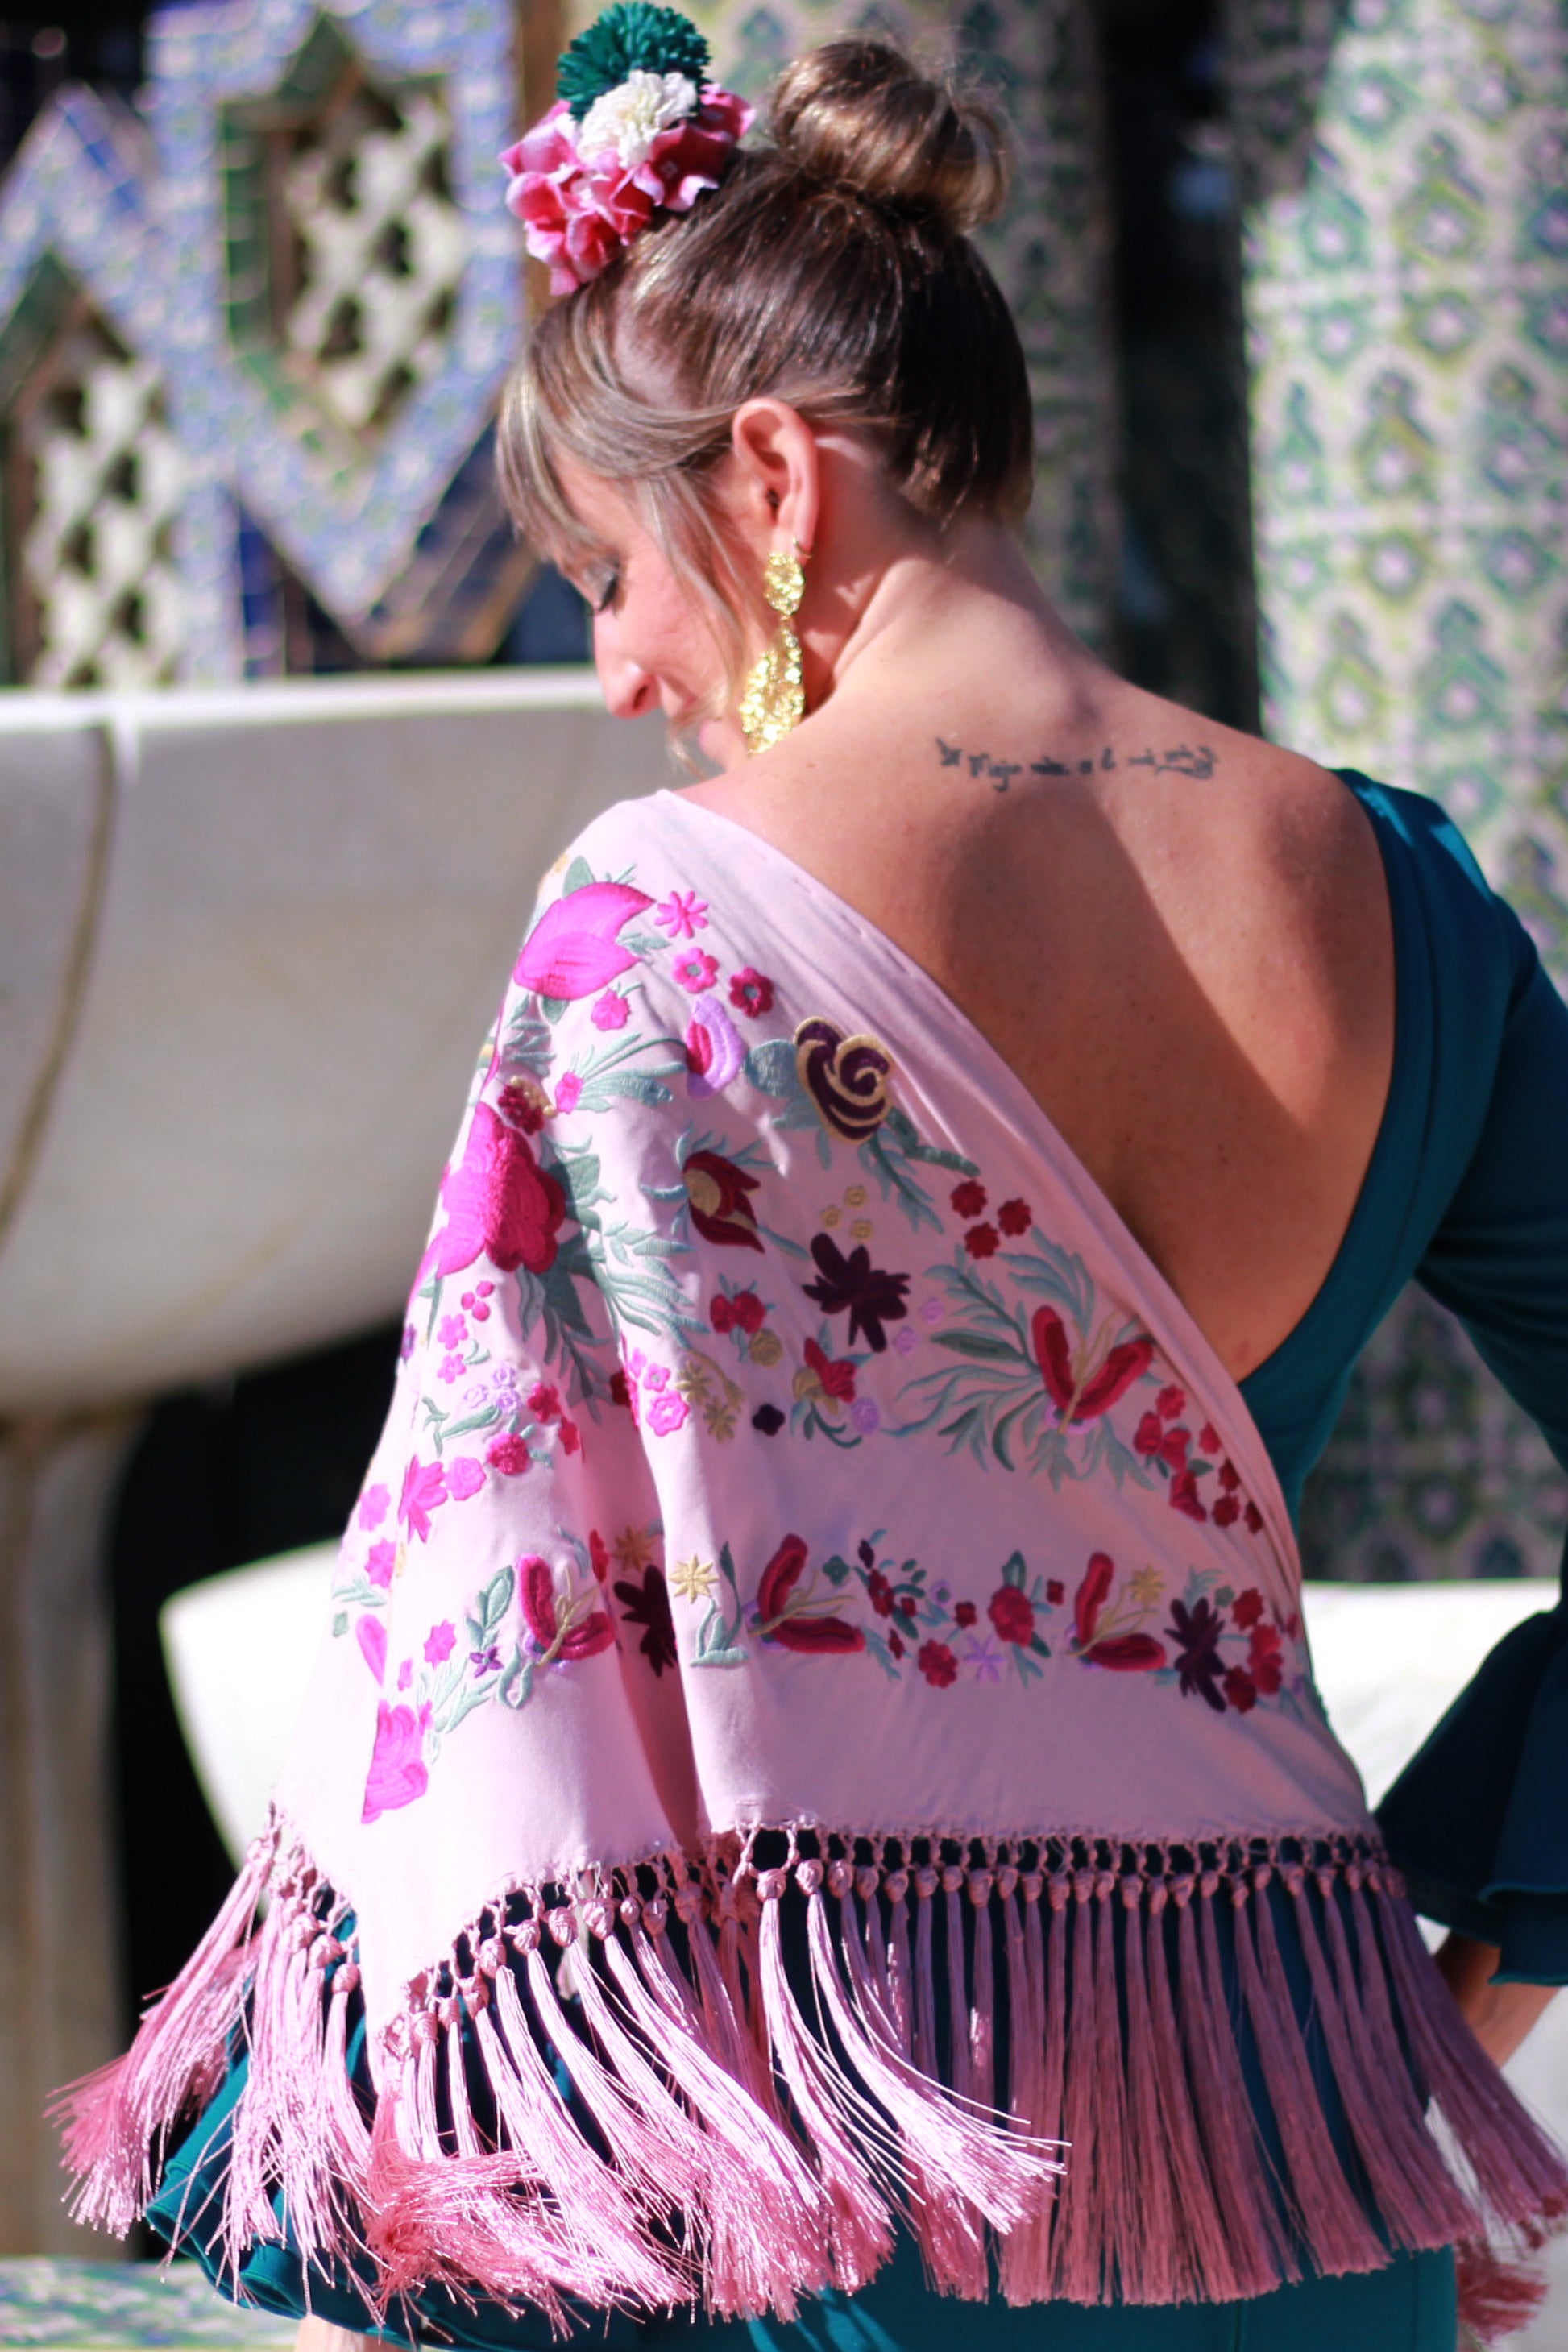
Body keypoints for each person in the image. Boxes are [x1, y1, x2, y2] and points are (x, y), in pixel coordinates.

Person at [60, 15, 1568, 2352]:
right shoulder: (1397, 893)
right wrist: (1484, 1931)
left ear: (772, 479)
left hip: (838, 2208)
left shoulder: (655, 929)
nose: (614, 666)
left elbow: (487, 1644)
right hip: (1278, 2169)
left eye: (602, 571)